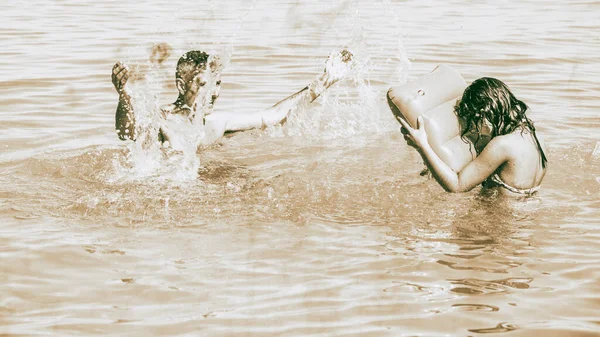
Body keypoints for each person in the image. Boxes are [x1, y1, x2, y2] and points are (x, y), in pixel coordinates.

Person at [111, 49, 354, 148]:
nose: (214, 93)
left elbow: (275, 115)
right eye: (205, 85)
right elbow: (127, 132)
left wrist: (327, 79)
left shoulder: (217, 123)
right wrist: (124, 97)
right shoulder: (163, 119)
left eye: (218, 84)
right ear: (181, 85)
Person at [398, 77, 548, 195]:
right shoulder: (535, 137)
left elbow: (457, 187)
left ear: (484, 114)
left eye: (473, 121)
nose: (475, 130)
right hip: (522, 223)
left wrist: (422, 146)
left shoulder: (501, 145)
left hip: (497, 226)